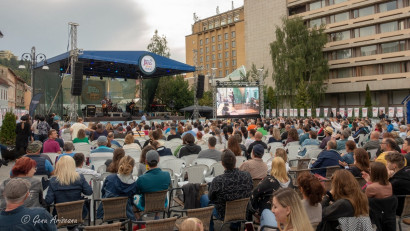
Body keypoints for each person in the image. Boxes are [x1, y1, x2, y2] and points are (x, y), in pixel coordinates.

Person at [200, 149, 252, 231]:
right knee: (238, 196)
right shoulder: (247, 176)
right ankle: (234, 226)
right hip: (242, 211)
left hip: (223, 213)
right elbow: (249, 191)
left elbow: (211, 198)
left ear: (222, 163)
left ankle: (209, 228)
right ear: (235, 161)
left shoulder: (218, 180)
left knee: (204, 198)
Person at [97, 155, 138, 221]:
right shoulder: (133, 185)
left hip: (106, 211)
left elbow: (103, 193)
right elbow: (132, 201)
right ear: (132, 168)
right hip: (125, 213)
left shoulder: (109, 178)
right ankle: (122, 224)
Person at [135, 150, 171, 216]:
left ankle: (140, 222)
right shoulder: (167, 175)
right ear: (158, 159)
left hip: (145, 205)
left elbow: (137, 192)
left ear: (146, 161)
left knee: (133, 199)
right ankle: (156, 217)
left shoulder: (141, 179)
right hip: (162, 203)